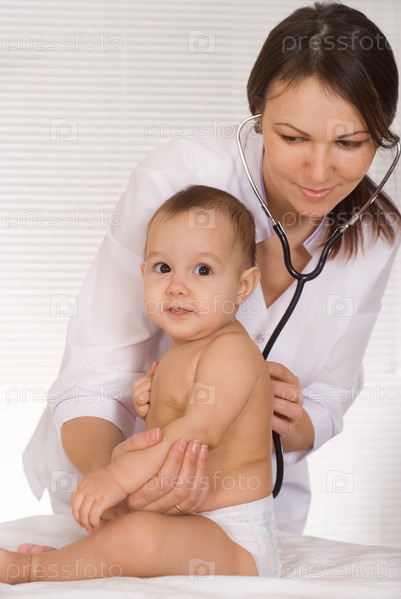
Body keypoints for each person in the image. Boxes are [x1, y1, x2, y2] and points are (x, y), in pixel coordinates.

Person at [22, 1, 401, 534]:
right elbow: (95, 374)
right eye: (292, 138)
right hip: (110, 488)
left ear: (380, 133)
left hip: (251, 511)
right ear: (258, 113)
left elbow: (330, 400)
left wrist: (280, 415)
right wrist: (122, 484)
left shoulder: (377, 236)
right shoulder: (174, 180)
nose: (319, 171)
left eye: (349, 143)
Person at [1, 186, 282, 583]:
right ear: (143, 273)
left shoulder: (232, 351)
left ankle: (31, 570)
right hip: (182, 522)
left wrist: (117, 477)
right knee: (125, 527)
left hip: (233, 537)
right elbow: (173, 419)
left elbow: (201, 428)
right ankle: (76, 562)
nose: (177, 285)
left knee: (139, 536)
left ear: (243, 286)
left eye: (203, 270)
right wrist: (149, 403)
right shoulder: (182, 349)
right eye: (163, 268)